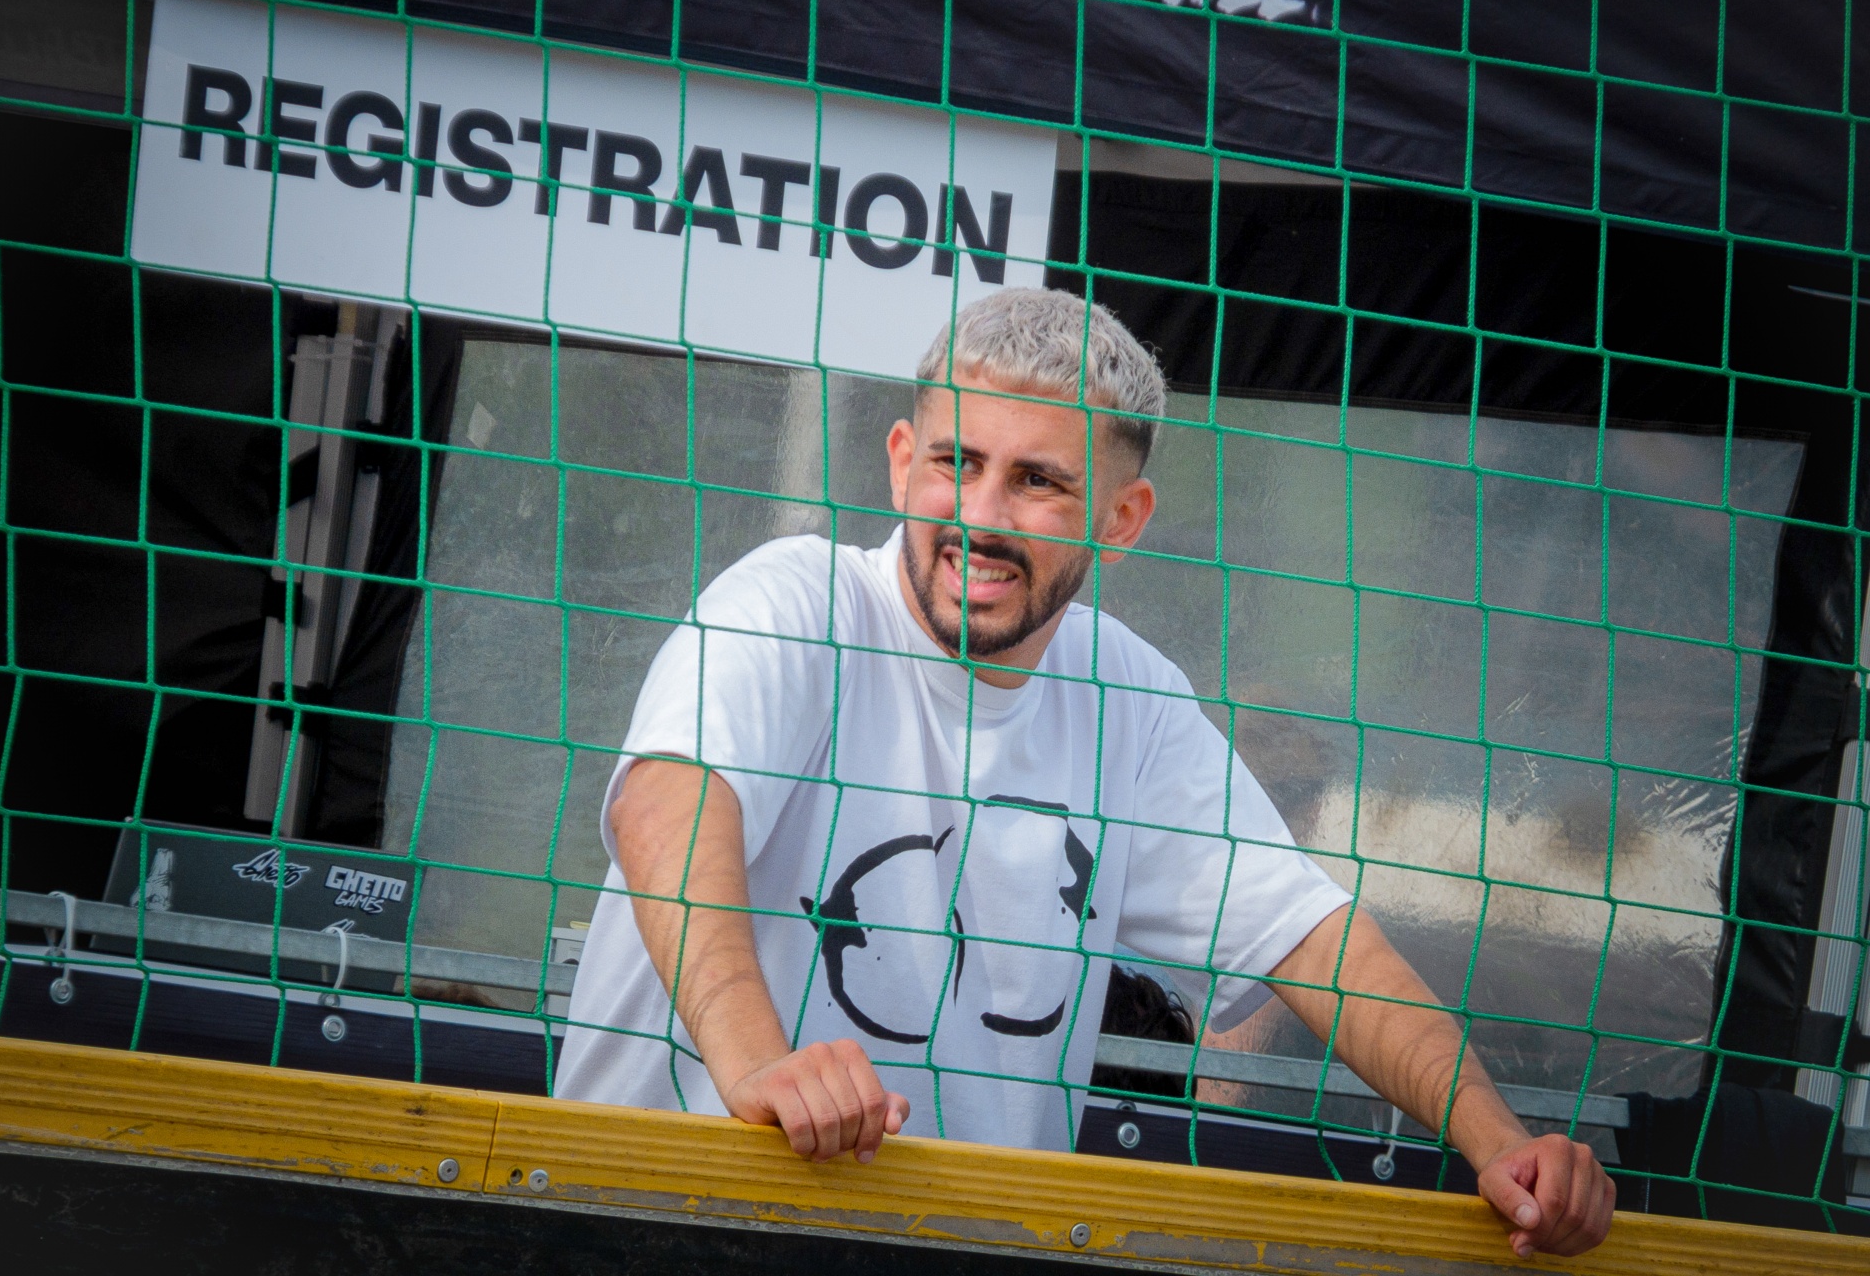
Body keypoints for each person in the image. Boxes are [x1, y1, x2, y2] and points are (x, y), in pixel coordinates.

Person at [555, 289, 1615, 1259]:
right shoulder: (794, 601)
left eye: (1039, 482)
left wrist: (1501, 1144)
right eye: (955, 462)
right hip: (648, 1230)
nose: (980, 516)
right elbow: (666, 806)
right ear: (899, 461)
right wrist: (756, 1064)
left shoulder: (1130, 698)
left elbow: (1318, 944)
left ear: (1122, 519)